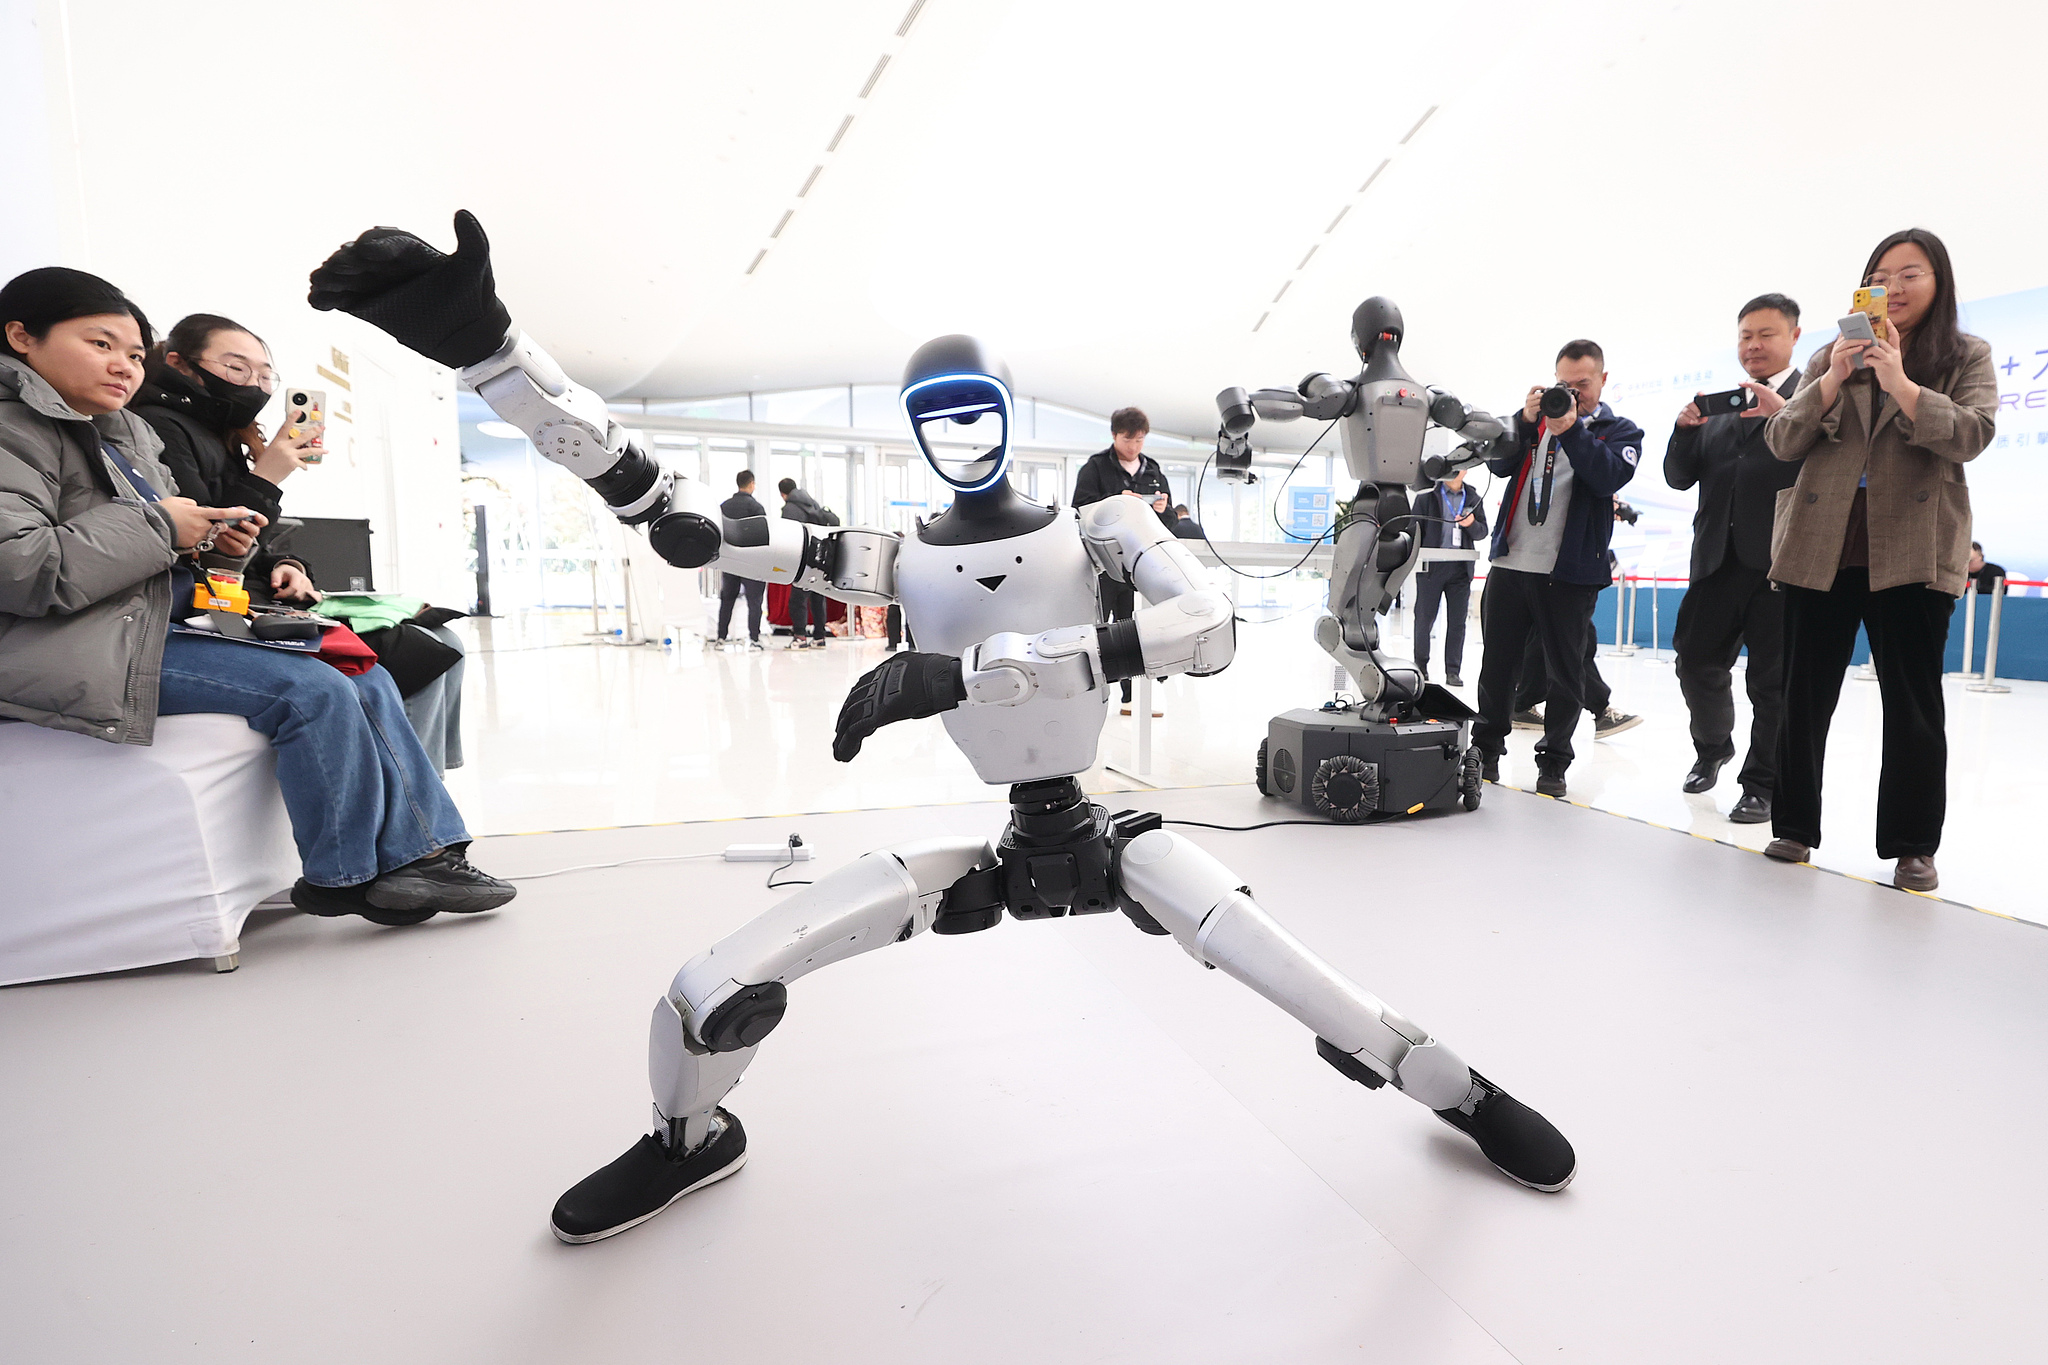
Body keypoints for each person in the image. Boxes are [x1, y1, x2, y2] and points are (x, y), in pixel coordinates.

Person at [0, 266, 513, 924]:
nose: (124, 366)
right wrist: (163, 525)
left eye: (133, 353)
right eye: (100, 344)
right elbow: (23, 568)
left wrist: (219, 550)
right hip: (65, 642)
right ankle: (344, 875)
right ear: (21, 336)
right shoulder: (16, 431)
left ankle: (419, 857)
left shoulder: (125, 433)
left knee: (359, 667)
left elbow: (153, 552)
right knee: (314, 689)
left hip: (150, 621)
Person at [1762, 228, 1998, 893]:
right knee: (1803, 696)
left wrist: (1900, 380)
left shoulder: (1963, 354)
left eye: (1910, 274)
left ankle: (1912, 846)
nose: (1893, 288)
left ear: (1938, 282)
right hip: (1822, 542)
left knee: (1913, 703)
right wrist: (1834, 376)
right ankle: (1794, 825)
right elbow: (1783, 439)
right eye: (1881, 275)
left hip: (1914, 546)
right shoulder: (1829, 357)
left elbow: (1974, 432)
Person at [1471, 340, 1643, 797]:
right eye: (1562, 384)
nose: (1571, 392)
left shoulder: (1619, 430)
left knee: (1565, 673)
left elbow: (1607, 476)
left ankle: (1554, 764)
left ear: (1603, 380)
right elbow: (1500, 463)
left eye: (1581, 385)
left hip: (1568, 573)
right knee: (1497, 667)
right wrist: (1525, 423)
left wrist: (1569, 428)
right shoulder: (1534, 424)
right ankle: (1484, 752)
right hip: (1511, 563)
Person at [1663, 294, 1807, 823]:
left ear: (1794, 336)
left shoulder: (1810, 400)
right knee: (1695, 661)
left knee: (1771, 684)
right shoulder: (1718, 407)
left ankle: (1761, 784)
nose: (1754, 345)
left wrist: (1787, 413)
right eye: (1746, 335)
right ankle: (1713, 746)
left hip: (1780, 564)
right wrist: (1684, 432)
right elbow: (1679, 477)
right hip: (1715, 561)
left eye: (1766, 334)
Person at [130, 314, 324, 606]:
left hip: (230, 597)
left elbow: (244, 546)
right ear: (178, 363)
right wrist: (265, 478)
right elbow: (206, 541)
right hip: (189, 603)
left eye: (264, 376)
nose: (254, 386)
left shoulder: (225, 432)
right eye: (237, 368)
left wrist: (284, 566)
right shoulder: (157, 422)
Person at [1072, 407, 1170, 714]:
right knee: (1098, 629)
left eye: (1140, 440)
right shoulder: (1096, 468)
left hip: (1140, 565)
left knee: (1139, 629)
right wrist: (1118, 502)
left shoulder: (1153, 470)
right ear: (1115, 435)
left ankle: (1135, 697)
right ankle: (1096, 695)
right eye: (1128, 439)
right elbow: (1080, 511)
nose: (1134, 446)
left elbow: (1169, 524)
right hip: (1102, 566)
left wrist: (1162, 510)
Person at [1410, 467, 1487, 685]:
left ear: (1466, 472)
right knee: (1424, 619)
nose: (1455, 472)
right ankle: (1420, 667)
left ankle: (1453, 671)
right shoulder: (1426, 497)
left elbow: (1482, 532)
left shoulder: (1474, 498)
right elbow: (1412, 529)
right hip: (1431, 567)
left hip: (1460, 569)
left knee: (1458, 622)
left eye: (1459, 468)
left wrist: (1470, 524)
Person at [777, 476, 835, 648]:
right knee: (818, 598)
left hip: (802, 559)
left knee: (797, 600)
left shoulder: (790, 508)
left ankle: (800, 637)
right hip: (820, 557)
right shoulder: (813, 503)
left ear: (782, 493)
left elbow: (787, 535)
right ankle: (819, 637)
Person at [715, 470, 767, 650]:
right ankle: (754, 639)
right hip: (751, 561)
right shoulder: (756, 508)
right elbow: (763, 536)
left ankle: (721, 638)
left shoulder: (723, 507)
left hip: (729, 560)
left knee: (727, 599)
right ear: (751, 484)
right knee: (754, 601)